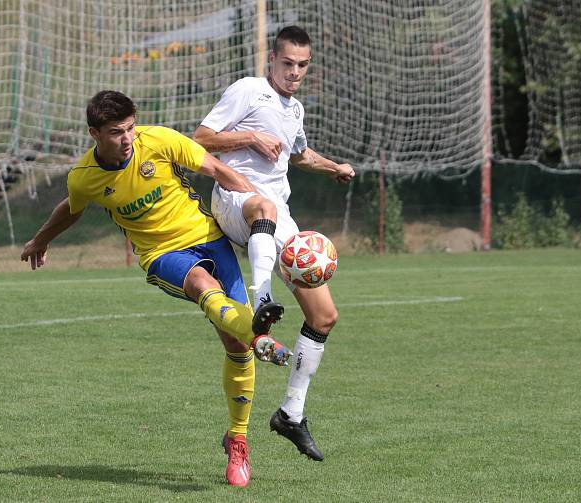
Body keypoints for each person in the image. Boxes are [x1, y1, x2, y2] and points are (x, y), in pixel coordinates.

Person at [20, 90, 289, 487]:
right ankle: (259, 336)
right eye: (116, 132)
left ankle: (237, 438)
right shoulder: (85, 177)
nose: (127, 138)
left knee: (235, 344)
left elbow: (216, 169)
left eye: (130, 128)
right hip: (161, 254)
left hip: (209, 237)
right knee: (202, 286)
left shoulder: (159, 141)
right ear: (95, 133)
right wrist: (40, 240)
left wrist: (260, 203)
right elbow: (70, 209)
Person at [193, 25, 355, 462]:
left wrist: (333, 166)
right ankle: (260, 298)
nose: (295, 72)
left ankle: (290, 414)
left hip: (275, 213)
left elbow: (298, 154)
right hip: (235, 196)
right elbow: (199, 139)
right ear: (272, 60)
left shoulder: (295, 108)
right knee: (262, 204)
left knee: (324, 316)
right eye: (288, 64)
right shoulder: (249, 90)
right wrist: (249, 137)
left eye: (302, 65)